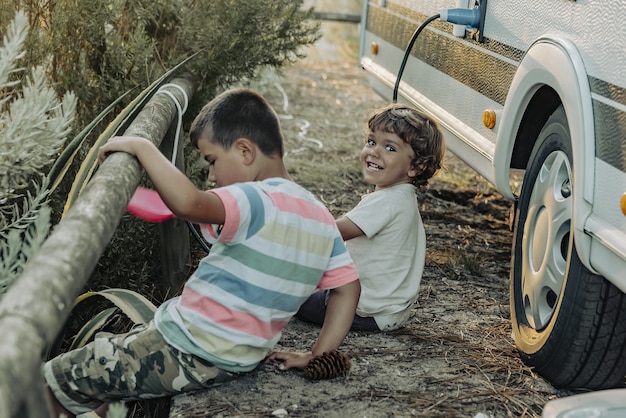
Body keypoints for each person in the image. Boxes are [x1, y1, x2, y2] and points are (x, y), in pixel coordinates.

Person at [44, 88, 360, 417]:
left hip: (186, 348)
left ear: (245, 151)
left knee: (49, 383)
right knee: (111, 398)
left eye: (212, 161)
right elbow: (348, 289)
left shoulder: (254, 197)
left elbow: (189, 203)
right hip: (236, 358)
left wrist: (143, 148)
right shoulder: (321, 216)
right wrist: (319, 354)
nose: (211, 176)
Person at [296, 103, 444, 332]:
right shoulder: (403, 198)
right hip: (389, 311)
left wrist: (293, 222)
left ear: (416, 166)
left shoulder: (387, 201)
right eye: (372, 141)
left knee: (292, 289)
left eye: (390, 148)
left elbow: (331, 233)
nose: (374, 151)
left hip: (363, 310)